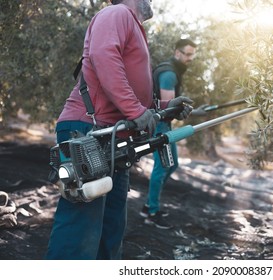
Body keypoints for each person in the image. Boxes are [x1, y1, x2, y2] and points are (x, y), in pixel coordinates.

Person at [45, 0, 192, 260]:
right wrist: (136, 111)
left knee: (110, 231)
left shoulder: (132, 26)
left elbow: (134, 95)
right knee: (80, 231)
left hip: (112, 138)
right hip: (88, 131)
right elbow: (103, 57)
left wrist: (166, 107)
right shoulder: (117, 13)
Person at [140, 38, 207, 229]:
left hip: (165, 126)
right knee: (162, 167)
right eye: (187, 54)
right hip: (159, 126)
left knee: (172, 165)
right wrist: (196, 112)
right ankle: (152, 212)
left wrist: (197, 111)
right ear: (177, 52)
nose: (190, 58)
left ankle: (148, 205)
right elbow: (168, 108)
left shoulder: (172, 70)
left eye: (192, 55)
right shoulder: (169, 73)